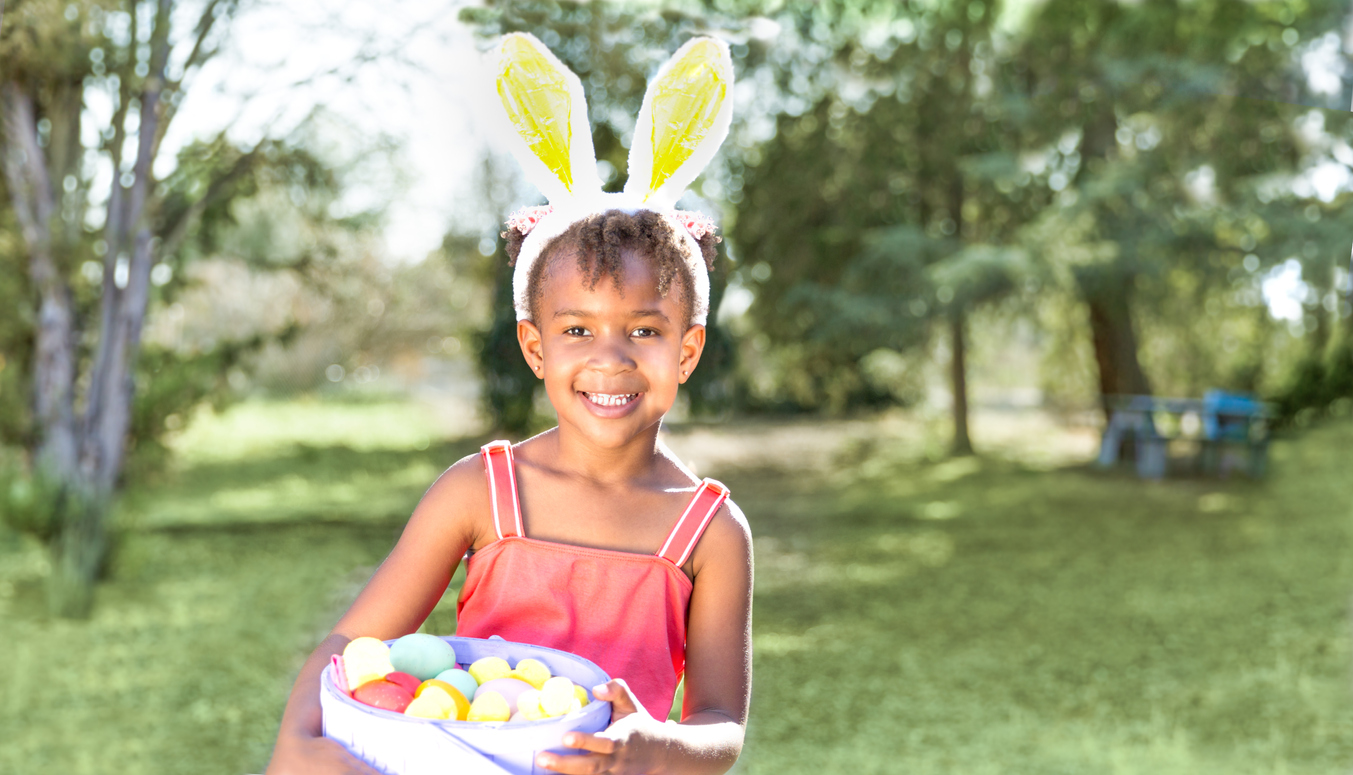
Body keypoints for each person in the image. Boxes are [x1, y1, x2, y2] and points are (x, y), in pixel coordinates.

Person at [266, 32, 752, 775]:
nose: (610, 357)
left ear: (685, 351)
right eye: (577, 328)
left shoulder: (710, 532)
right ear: (535, 348)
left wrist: (653, 747)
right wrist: (297, 747)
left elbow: (720, 725)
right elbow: (349, 645)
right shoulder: (478, 492)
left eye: (645, 330)